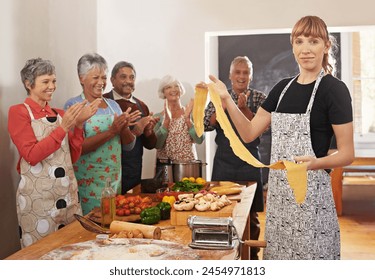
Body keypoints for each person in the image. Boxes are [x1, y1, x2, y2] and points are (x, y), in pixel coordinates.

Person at [201, 15, 354, 260]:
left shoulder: (334, 89)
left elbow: (347, 154)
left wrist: (315, 163)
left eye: (313, 41)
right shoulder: (282, 89)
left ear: (326, 46)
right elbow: (249, 133)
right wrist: (227, 101)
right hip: (279, 200)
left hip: (312, 201)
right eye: (299, 41)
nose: (305, 49)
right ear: (292, 45)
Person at [8, 58, 100, 247]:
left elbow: (71, 157)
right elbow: (32, 156)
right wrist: (64, 127)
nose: (52, 86)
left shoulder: (59, 113)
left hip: (68, 198)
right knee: (42, 256)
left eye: (54, 81)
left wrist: (79, 124)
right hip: (39, 202)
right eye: (45, 81)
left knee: (73, 250)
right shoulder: (19, 112)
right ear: (28, 83)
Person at [203, 56, 266, 260]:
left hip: (250, 161)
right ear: (230, 76)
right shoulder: (218, 96)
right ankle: (225, 254)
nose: (241, 76)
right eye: (237, 72)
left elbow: (261, 127)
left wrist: (243, 109)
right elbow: (207, 124)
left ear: (251, 76)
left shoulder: (259, 97)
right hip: (224, 161)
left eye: (245, 72)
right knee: (222, 208)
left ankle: (251, 256)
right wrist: (223, 107)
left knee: (252, 215)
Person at [64, 53, 141, 215]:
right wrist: (112, 131)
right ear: (81, 78)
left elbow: (128, 146)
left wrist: (124, 127)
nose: (101, 83)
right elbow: (77, 148)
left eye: (104, 77)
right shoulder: (74, 105)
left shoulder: (113, 105)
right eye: (96, 77)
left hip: (113, 181)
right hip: (87, 183)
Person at [103, 61, 158, 193]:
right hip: (106, 170)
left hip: (133, 171)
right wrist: (133, 130)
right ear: (112, 80)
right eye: (123, 77)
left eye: (132, 77)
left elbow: (150, 145)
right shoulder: (102, 102)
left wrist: (149, 132)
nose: (128, 81)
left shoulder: (141, 106)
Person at [154, 75, 205, 176]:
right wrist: (166, 122)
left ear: (180, 89)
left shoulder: (191, 113)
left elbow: (200, 139)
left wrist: (188, 120)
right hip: (165, 170)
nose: (173, 89)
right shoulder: (158, 117)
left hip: (189, 168)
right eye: (168, 87)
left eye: (176, 86)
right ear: (163, 92)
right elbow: (157, 144)